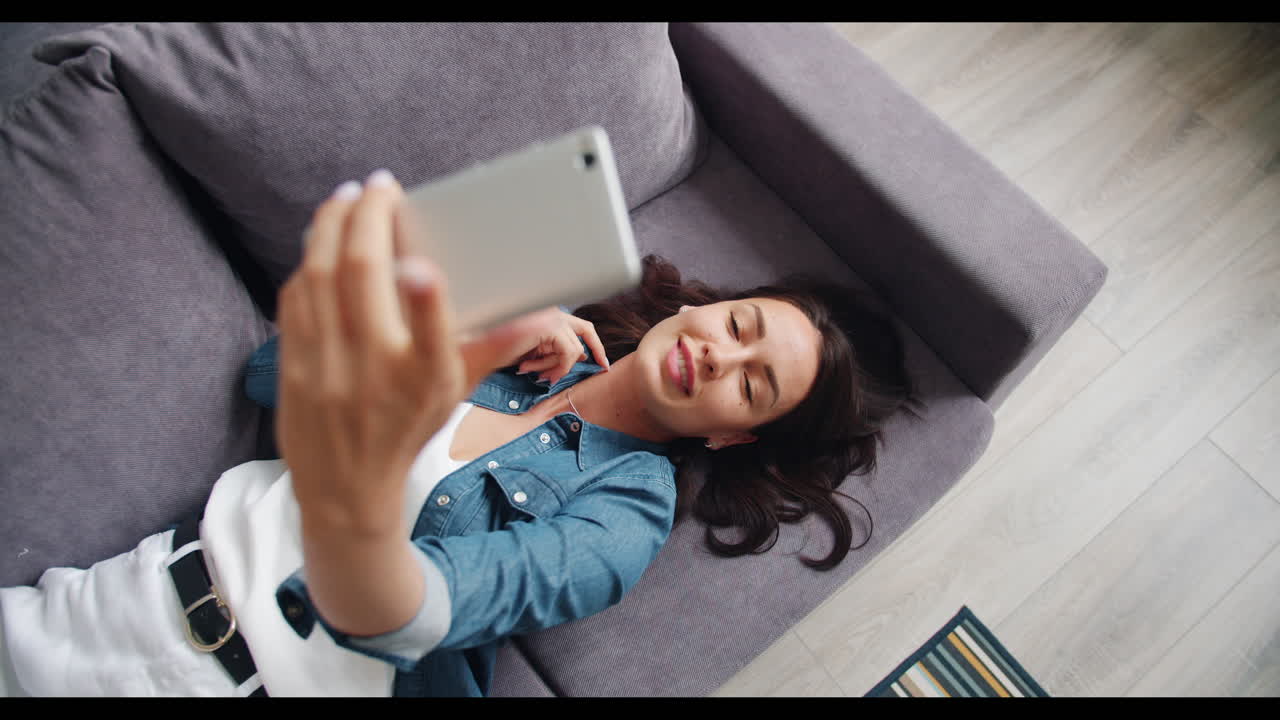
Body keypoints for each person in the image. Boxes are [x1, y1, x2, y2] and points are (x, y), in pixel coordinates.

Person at [0, 169, 916, 697]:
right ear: (711, 307)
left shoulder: (625, 523)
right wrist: (472, 324)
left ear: (732, 440)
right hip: (121, 595)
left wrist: (359, 509)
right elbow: (271, 378)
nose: (721, 357)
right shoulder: (526, 323)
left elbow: (424, 607)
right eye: (741, 326)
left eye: (753, 388)